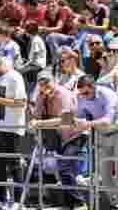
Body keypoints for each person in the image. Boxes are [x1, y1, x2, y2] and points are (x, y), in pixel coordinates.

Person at [31, 71, 86, 210]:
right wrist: (40, 100)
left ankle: (80, 203)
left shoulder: (63, 94)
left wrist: (40, 123)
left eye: (47, 82)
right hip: (60, 137)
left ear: (53, 81)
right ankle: (70, 204)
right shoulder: (42, 95)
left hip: (75, 135)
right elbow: (36, 116)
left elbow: (65, 120)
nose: (44, 85)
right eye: (41, 83)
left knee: (64, 169)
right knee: (65, 171)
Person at [76, 74, 118, 210]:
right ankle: (115, 202)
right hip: (101, 135)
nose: (84, 96)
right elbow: (80, 117)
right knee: (104, 174)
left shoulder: (108, 94)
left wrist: (87, 124)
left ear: (93, 86)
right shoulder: (81, 97)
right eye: (81, 93)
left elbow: (107, 120)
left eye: (86, 93)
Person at [0, 53, 26, 208]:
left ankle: (18, 201)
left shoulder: (15, 77)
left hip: (12, 127)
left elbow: (21, 103)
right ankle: (1, 199)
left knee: (14, 164)